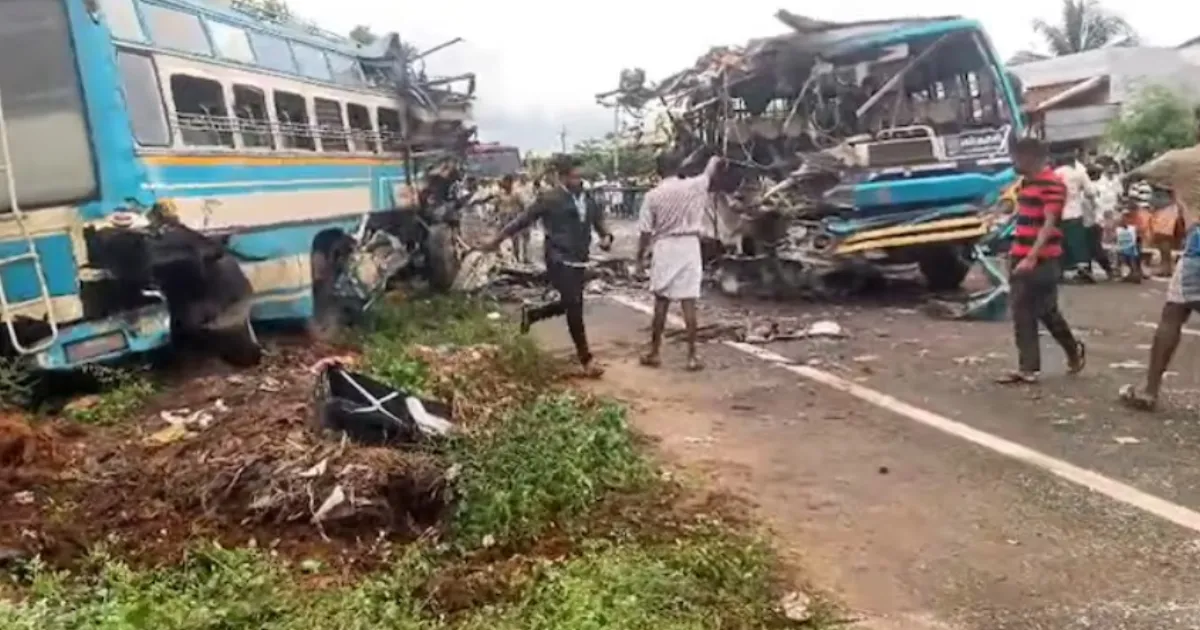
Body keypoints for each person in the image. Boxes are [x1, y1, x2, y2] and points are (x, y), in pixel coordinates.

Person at [481, 154, 613, 377]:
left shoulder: (589, 199)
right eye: (574, 177)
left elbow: (600, 224)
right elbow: (522, 220)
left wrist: (607, 237)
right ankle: (586, 359)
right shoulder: (549, 198)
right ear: (561, 176)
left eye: (581, 177)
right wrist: (496, 240)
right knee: (574, 306)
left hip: (579, 259)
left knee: (571, 302)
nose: (579, 181)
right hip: (558, 258)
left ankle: (533, 315)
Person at [997, 138, 1086, 385]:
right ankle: (1030, 367)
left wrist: (1031, 257)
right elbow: (1023, 212)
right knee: (1024, 310)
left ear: (1029, 158)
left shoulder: (1052, 184)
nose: (1013, 162)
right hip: (1022, 253)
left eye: (1016, 157)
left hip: (1042, 257)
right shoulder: (1027, 182)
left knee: (1043, 311)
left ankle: (1068, 350)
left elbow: (1050, 223)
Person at [1118, 144, 1200, 410]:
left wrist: (1127, 181)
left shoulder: (1180, 159)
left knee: (1173, 314)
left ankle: (1149, 390)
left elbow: (1136, 174)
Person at [635, 152, 722, 371]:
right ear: (680, 167)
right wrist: (714, 158)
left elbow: (645, 231)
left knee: (661, 303)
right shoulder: (694, 186)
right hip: (690, 246)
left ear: (658, 171)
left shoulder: (653, 196)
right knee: (689, 304)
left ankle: (654, 352)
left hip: (665, 247)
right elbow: (710, 172)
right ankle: (692, 356)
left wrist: (639, 259)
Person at [1055, 154, 1095, 281]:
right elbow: (1090, 192)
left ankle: (1059, 271)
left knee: (1060, 243)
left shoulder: (1055, 174)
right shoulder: (1079, 173)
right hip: (1074, 213)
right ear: (1073, 162)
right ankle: (1083, 270)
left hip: (1057, 214)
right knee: (1077, 243)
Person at [1115, 210, 1142, 283]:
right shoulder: (1119, 228)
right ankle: (1126, 276)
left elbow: (1138, 235)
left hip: (1131, 248)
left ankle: (1136, 277)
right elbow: (1117, 237)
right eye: (1123, 217)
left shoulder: (1133, 227)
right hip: (1123, 248)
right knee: (1124, 262)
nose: (1125, 219)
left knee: (1133, 262)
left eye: (1127, 217)